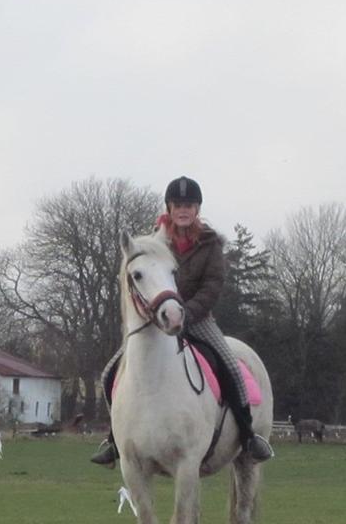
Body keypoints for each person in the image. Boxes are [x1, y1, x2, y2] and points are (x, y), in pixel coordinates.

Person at [91, 176, 274, 467]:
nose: (183, 210)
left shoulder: (210, 243)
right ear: (170, 207)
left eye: (189, 205)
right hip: (155, 320)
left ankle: (249, 436)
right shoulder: (154, 241)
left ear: (197, 208)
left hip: (198, 319)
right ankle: (115, 439)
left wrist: (187, 311)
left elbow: (213, 284)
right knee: (110, 373)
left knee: (231, 368)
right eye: (178, 205)